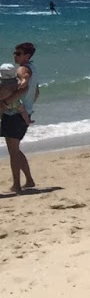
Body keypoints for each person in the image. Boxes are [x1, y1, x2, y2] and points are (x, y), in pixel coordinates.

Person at [2, 43, 37, 193]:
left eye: (18, 53)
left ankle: (16, 185)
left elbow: (24, 85)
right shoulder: (33, 68)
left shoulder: (22, 69)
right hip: (22, 113)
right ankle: (29, 180)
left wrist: (6, 102)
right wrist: (28, 106)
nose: (15, 56)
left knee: (13, 151)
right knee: (14, 149)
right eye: (15, 53)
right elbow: (37, 92)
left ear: (27, 56)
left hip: (14, 114)